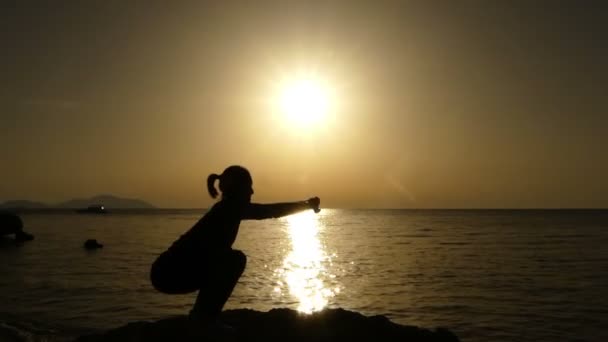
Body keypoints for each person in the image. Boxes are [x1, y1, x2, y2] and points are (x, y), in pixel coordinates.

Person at [150, 165, 320, 331]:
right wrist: (306, 204)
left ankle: (202, 317)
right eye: (249, 187)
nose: (252, 192)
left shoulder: (227, 208)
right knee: (234, 260)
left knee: (228, 259)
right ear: (238, 189)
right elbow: (270, 211)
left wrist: (305, 205)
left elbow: (268, 211)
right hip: (168, 272)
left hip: (168, 271)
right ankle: (203, 319)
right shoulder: (229, 208)